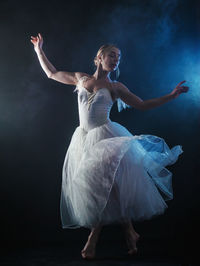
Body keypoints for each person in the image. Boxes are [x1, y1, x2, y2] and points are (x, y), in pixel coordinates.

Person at [30, 33, 189, 259]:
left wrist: (171, 96)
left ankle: (91, 242)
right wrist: (39, 50)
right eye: (112, 55)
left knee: (103, 186)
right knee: (110, 188)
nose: (116, 60)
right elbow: (52, 73)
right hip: (84, 138)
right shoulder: (81, 78)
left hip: (106, 138)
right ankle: (130, 232)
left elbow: (143, 105)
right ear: (99, 58)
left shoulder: (116, 87)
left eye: (119, 57)